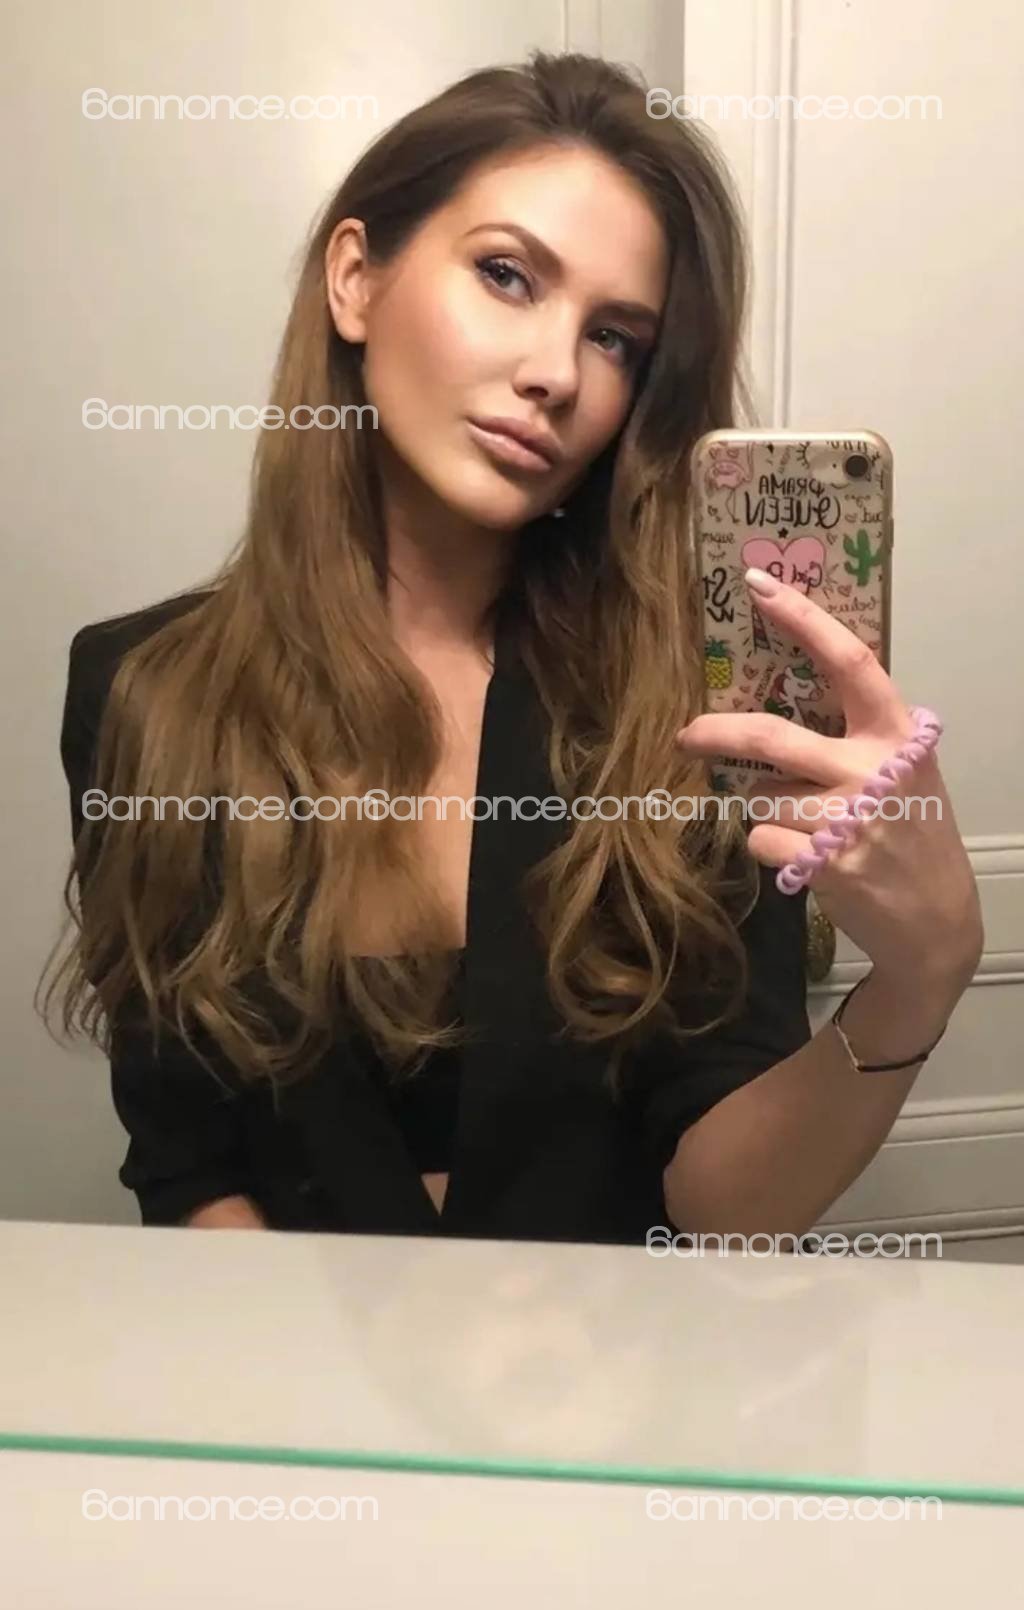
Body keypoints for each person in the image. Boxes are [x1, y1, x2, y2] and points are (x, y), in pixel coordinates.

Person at [41, 51, 982, 1244]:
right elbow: (188, 1162)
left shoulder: (686, 714)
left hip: (624, 1362)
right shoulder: (146, 691)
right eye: (505, 275)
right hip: (284, 1353)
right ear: (355, 278)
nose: (553, 374)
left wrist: (919, 979)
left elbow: (721, 1211)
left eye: (616, 338)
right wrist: (297, 1359)